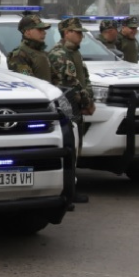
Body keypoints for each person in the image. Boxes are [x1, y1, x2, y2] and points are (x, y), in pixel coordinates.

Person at [48, 17, 94, 204]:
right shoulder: (59, 54)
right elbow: (71, 83)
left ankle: (71, 188)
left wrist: (88, 99)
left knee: (76, 150)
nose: (81, 35)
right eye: (77, 32)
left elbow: (85, 78)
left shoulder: (75, 53)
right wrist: (87, 101)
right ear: (66, 33)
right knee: (69, 150)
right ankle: (66, 192)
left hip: (78, 107)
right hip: (67, 108)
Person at [6, 14, 52, 80]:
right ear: (28, 32)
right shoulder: (19, 55)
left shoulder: (42, 53)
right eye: (40, 29)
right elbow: (27, 81)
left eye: (44, 30)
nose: (44, 33)